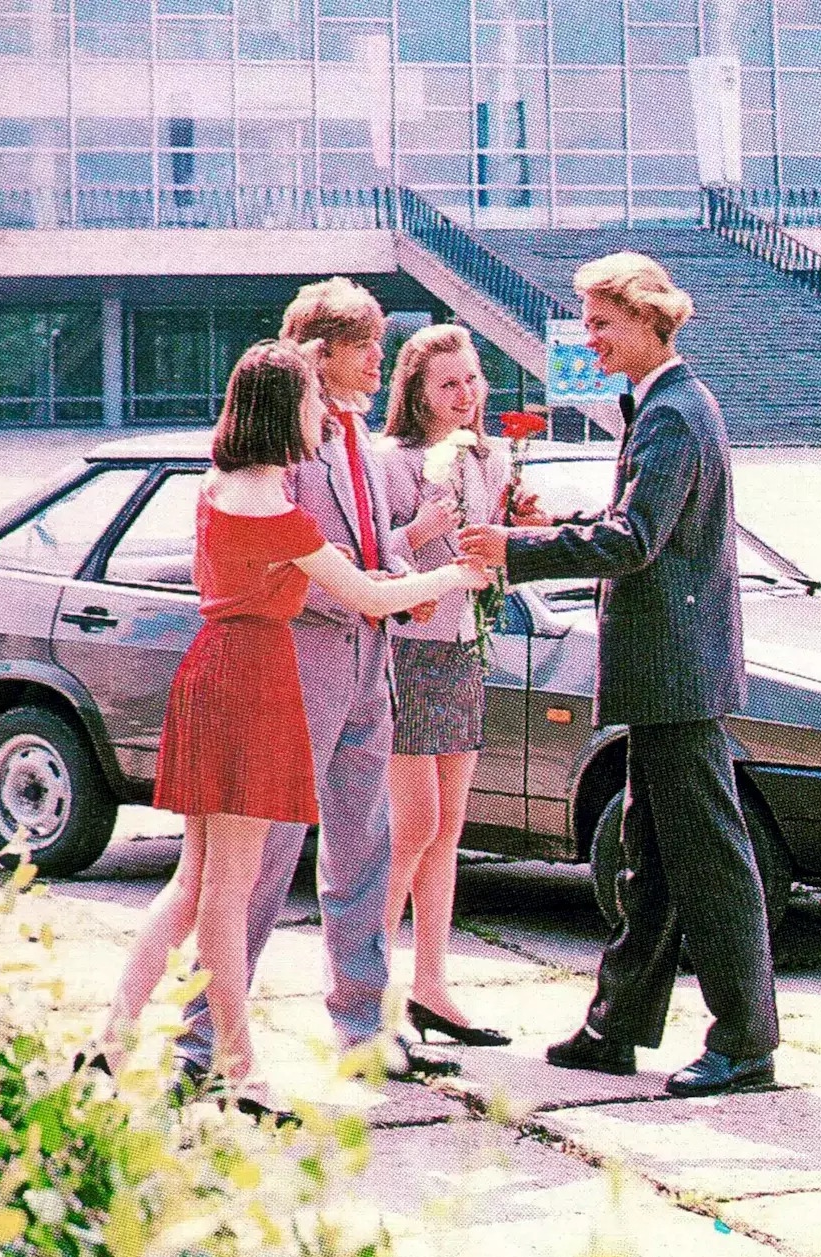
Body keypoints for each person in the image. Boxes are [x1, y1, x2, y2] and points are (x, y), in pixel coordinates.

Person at [98, 338, 487, 1101]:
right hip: (257, 685)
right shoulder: (279, 512)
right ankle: (232, 1066)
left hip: (210, 676)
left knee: (195, 884)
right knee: (227, 890)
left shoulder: (218, 487)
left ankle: (110, 1041)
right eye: (312, 404)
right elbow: (371, 597)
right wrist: (459, 572)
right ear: (286, 412)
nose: (323, 418)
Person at [458, 252, 781, 1098]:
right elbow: (638, 524)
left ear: (646, 319)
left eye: (601, 322)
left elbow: (635, 543)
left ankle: (746, 1043)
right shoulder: (665, 407)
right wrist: (558, 521)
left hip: (676, 680)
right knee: (650, 861)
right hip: (665, 678)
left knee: (709, 864)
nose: (589, 338)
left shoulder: (675, 413)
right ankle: (614, 1030)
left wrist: (513, 551)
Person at [173, 276, 463, 1083]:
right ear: (319, 353)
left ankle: (364, 1028)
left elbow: (373, 551)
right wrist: (389, 589)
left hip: (370, 656)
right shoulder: (287, 442)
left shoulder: (357, 439)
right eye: (365, 345)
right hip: (295, 662)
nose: (381, 358)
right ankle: (200, 1042)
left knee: (365, 848)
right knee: (259, 860)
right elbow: (291, 555)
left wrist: (411, 566)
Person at [374, 324, 511, 1048]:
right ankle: (370, 990)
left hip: (463, 649)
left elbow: (489, 557)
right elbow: (372, 556)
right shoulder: (390, 460)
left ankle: (431, 985)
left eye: (471, 379)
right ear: (418, 395)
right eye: (448, 384)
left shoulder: (489, 458)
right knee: (413, 827)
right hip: (406, 653)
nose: (465, 395)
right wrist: (422, 529)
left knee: (448, 831)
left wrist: (515, 535)